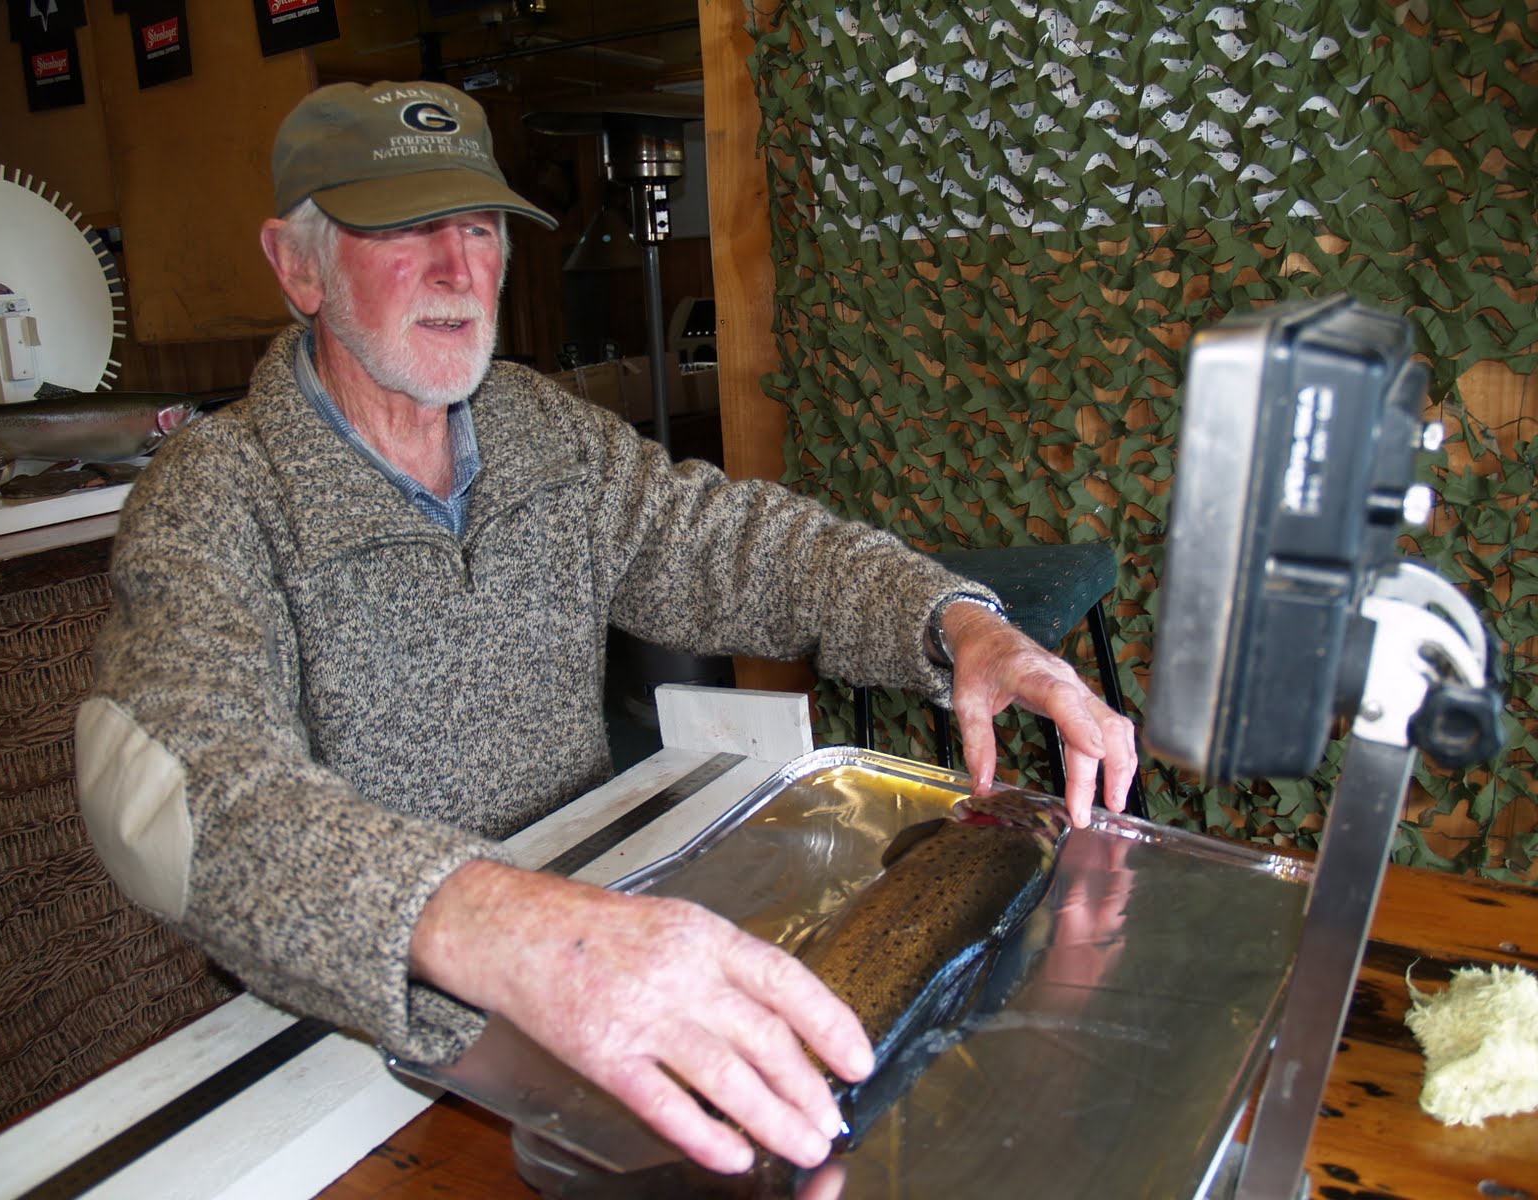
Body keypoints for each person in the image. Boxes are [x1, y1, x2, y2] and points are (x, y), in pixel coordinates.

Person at [76, 80, 1136, 1178]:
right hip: (354, 1053)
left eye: (479, 229)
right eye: (404, 229)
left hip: (598, 941)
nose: (457, 269)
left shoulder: (533, 426)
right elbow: (184, 783)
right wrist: (508, 928)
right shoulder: (214, 494)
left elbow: (737, 546)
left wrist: (955, 619)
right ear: (298, 267)